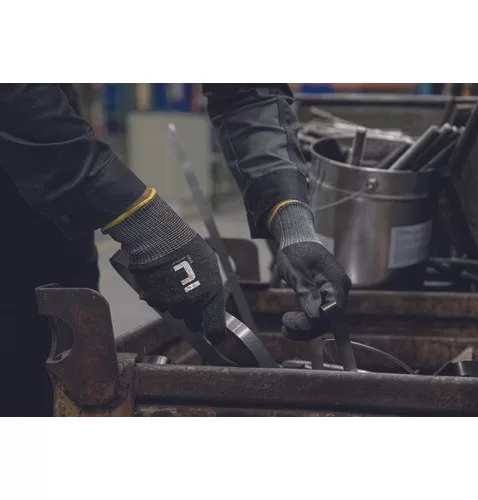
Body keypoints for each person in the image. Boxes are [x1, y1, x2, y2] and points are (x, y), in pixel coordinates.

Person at [0, 84, 351, 416]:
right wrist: (143, 223)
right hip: (26, 164)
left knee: (56, 376)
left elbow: (247, 92)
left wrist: (292, 223)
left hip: (49, 219)